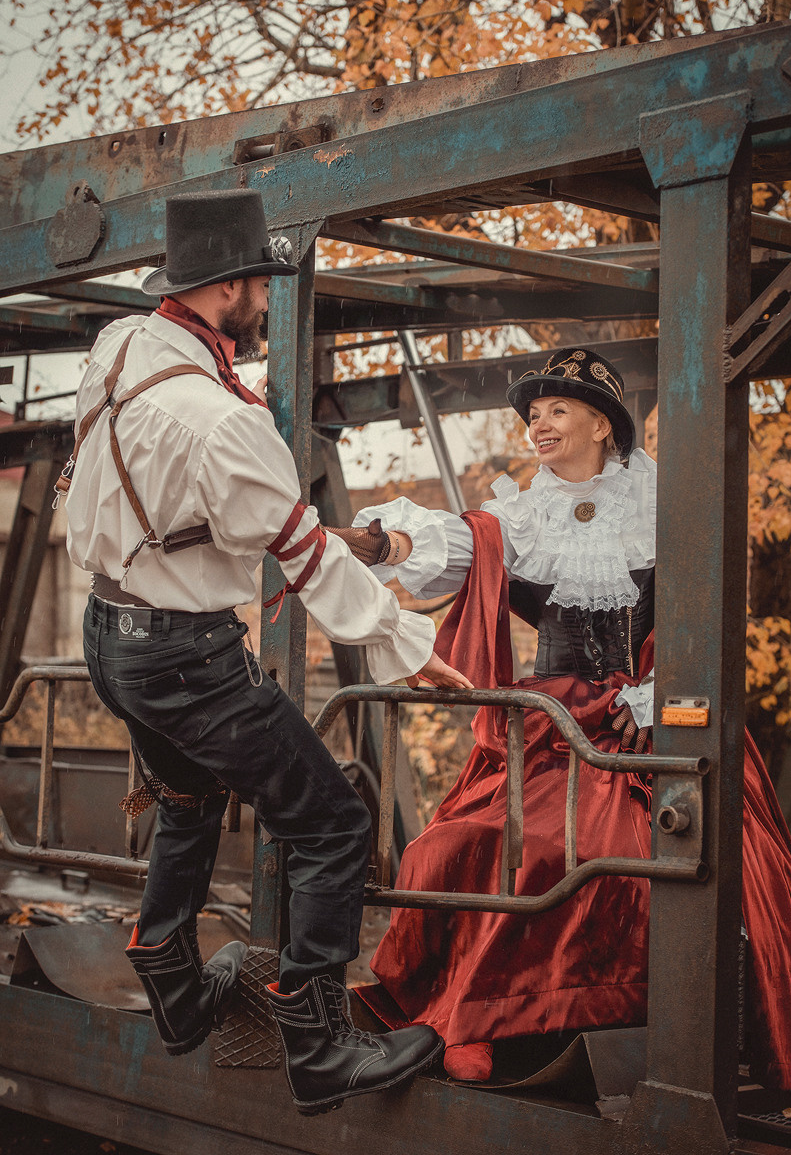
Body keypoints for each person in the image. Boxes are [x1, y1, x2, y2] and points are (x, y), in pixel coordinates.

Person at [61, 188, 472, 1117]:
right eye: (259, 288)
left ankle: (170, 978)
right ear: (233, 286)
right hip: (186, 660)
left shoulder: (120, 347)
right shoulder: (225, 421)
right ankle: (319, 1048)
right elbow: (305, 554)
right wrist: (409, 644)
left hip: (109, 638)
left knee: (187, 796)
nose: (263, 305)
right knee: (331, 826)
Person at [336, 348, 791, 1090]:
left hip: (648, 719)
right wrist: (379, 541)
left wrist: (654, 698)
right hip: (552, 724)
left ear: (603, 424)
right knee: (455, 844)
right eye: (532, 414)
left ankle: (510, 1018)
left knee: (581, 854)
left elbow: (703, 615)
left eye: (556, 410)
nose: (537, 426)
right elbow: (463, 544)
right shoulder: (522, 514)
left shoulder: (664, 504)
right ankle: (461, 1010)